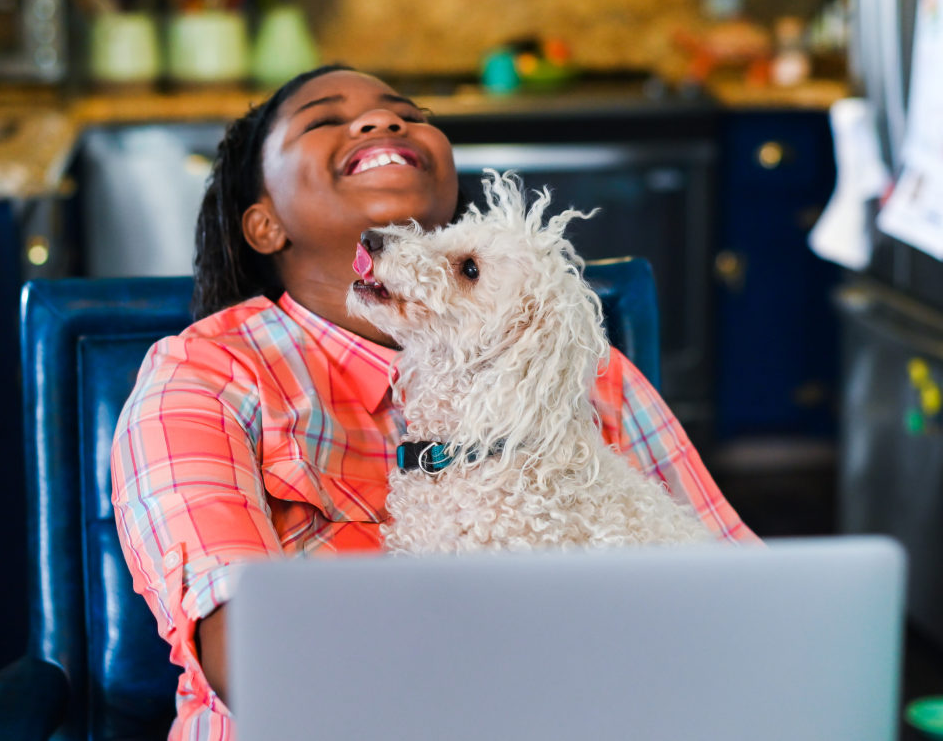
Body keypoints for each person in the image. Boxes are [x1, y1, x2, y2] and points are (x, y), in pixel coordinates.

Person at [111, 65, 758, 740]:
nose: (386, 123)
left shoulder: (576, 365)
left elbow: (745, 599)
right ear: (265, 223)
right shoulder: (206, 376)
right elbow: (254, 657)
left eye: (407, 112)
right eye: (324, 119)